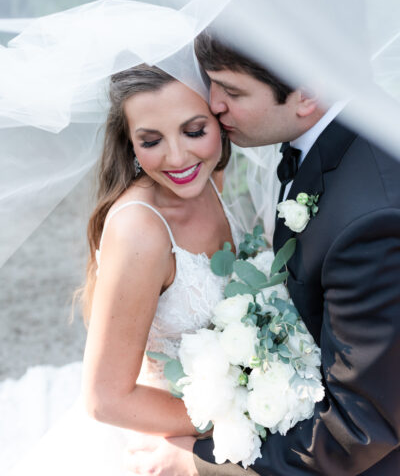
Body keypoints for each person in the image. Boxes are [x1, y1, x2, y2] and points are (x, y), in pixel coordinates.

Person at [124, 30, 400, 474]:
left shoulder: (371, 219)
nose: (212, 104)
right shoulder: (333, 137)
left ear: (307, 93)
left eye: (231, 90)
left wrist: (199, 463)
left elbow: (362, 425)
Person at [8, 62, 243, 475]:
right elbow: (105, 399)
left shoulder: (211, 175)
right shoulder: (141, 232)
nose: (177, 157)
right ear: (130, 143)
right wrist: (236, 414)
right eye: (151, 140)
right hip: (166, 440)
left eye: (194, 131)